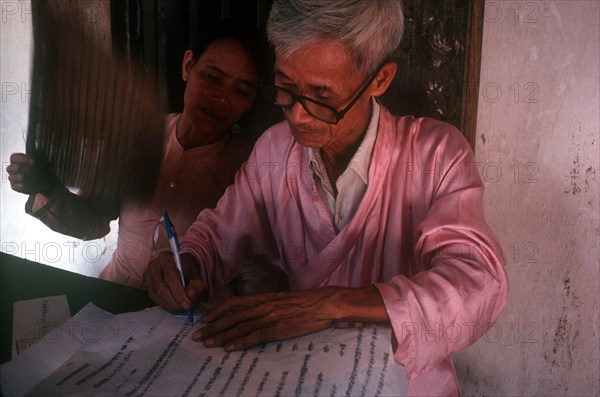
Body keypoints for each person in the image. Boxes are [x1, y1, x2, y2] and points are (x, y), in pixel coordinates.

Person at [146, 1, 509, 395]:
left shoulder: (436, 154)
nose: (298, 117)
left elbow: (477, 285)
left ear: (380, 79)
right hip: (302, 378)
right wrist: (187, 262)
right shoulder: (274, 151)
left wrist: (328, 305)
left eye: (321, 96)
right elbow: (219, 234)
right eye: (285, 89)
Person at [6, 23, 269, 289]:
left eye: (242, 92)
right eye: (212, 77)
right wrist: (49, 189)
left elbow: (252, 273)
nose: (222, 99)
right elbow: (92, 222)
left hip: (187, 318)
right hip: (115, 295)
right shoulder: (137, 137)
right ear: (188, 65)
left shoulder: (248, 170)